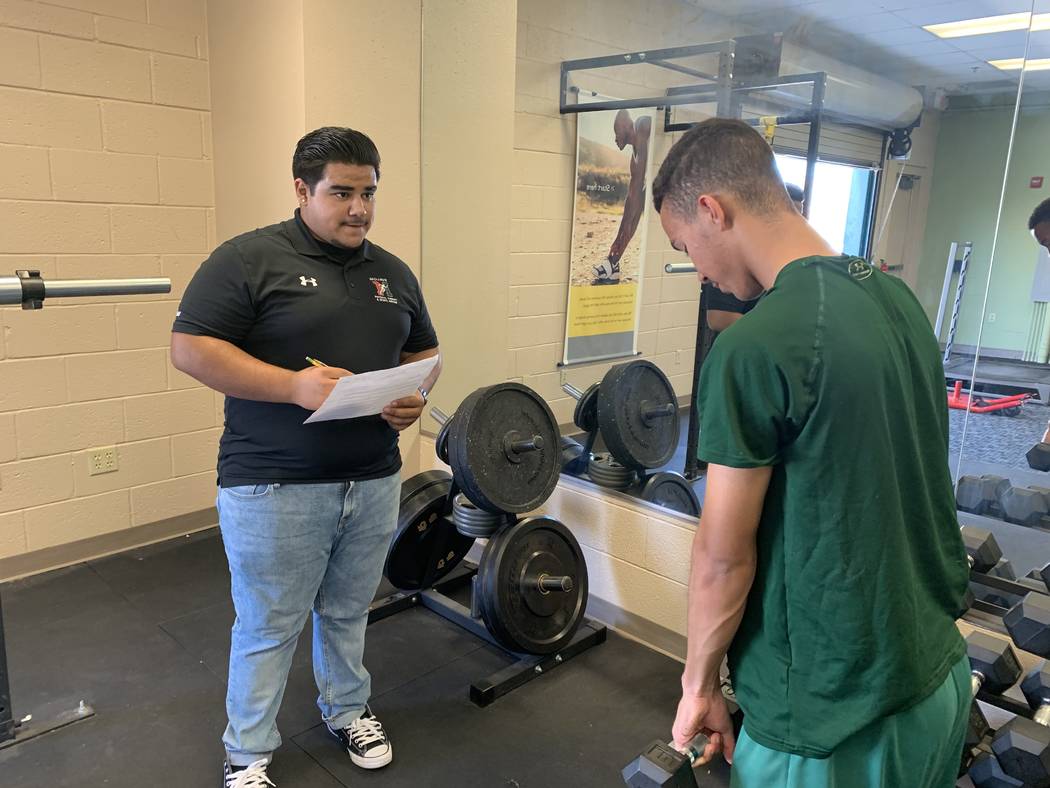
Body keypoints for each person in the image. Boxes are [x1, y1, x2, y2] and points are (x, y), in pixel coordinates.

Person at [651, 118, 968, 787]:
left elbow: (722, 557)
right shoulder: (898, 300)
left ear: (712, 210)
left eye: (685, 246)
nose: (697, 269)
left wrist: (698, 687)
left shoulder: (754, 346)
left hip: (828, 725)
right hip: (935, 682)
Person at [170, 126, 441, 788]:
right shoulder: (247, 259)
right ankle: (248, 750)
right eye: (342, 192)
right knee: (269, 625)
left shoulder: (392, 272)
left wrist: (413, 397)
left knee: (348, 612)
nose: (359, 208)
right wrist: (292, 385)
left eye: (369, 193)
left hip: (372, 478)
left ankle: (346, 709)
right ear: (302, 189)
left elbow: (422, 354)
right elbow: (190, 348)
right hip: (274, 484)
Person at [705, 182, 803, 333]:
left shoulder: (796, 261)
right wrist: (778, 334)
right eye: (789, 218)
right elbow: (719, 318)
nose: (794, 226)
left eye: (799, 218)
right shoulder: (739, 255)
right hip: (743, 352)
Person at [593, 109, 652, 284]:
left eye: (616, 131)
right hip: (656, 181)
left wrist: (624, 231)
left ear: (626, 125)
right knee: (636, 204)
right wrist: (618, 238)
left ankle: (613, 262)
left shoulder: (642, 124)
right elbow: (631, 198)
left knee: (640, 201)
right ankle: (613, 263)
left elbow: (641, 179)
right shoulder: (633, 159)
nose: (615, 138)